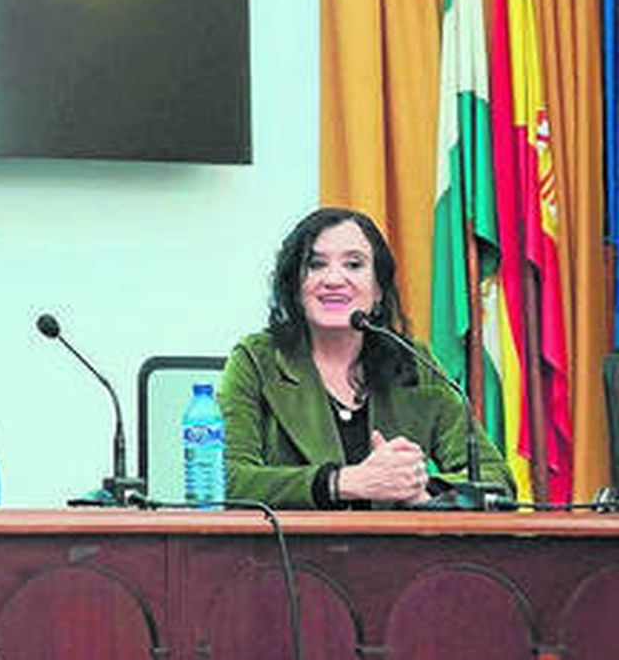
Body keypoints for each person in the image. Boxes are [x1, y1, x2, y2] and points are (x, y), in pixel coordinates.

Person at [218, 207, 514, 509]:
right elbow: (225, 479)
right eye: (316, 265)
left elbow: (496, 479)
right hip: (291, 541)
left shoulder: (413, 363)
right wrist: (340, 483)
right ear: (294, 287)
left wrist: (421, 491)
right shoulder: (257, 361)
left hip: (396, 541)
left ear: (378, 290)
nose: (334, 279)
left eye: (354, 264)